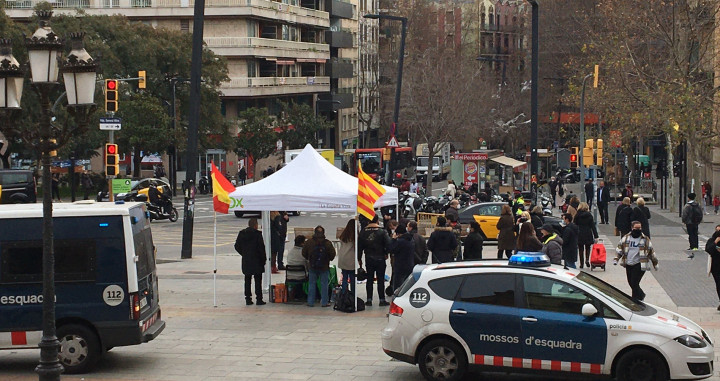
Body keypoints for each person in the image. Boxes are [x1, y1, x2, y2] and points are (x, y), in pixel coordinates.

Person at [613, 221, 658, 301]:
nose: (638, 230)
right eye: (636, 228)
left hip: (639, 264)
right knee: (630, 282)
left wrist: (655, 263)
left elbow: (651, 251)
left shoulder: (645, 239)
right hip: (629, 263)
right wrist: (616, 259)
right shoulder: (626, 238)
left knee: (634, 283)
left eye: (639, 228)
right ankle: (641, 295)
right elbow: (620, 248)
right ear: (632, 228)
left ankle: (634, 300)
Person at [358, 214, 391, 306]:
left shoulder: (364, 231)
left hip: (369, 258)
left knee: (369, 279)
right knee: (380, 279)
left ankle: (369, 299)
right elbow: (388, 244)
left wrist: (359, 258)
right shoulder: (382, 231)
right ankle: (381, 299)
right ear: (377, 221)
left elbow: (359, 246)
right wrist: (386, 253)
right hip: (380, 258)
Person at [234, 218, 267, 306]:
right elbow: (261, 248)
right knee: (258, 280)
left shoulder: (242, 233)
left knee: (247, 280)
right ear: (255, 225)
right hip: (257, 260)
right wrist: (264, 260)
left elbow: (236, 246)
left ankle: (248, 298)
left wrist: (244, 253)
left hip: (247, 259)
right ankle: (259, 299)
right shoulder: (258, 234)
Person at [302, 225, 336, 307]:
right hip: (324, 266)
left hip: (312, 266)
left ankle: (310, 302)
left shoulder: (309, 242)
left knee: (312, 284)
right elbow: (332, 254)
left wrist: (309, 259)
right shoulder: (327, 243)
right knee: (324, 284)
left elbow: (304, 253)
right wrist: (328, 259)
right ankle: (324, 302)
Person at [389, 225, 415, 292]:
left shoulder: (400, 241)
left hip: (400, 265)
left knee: (398, 285)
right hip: (410, 264)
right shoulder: (411, 240)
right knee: (407, 284)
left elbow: (391, 249)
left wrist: (393, 239)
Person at [575, 202, 598, 269]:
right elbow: (593, 226)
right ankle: (587, 259)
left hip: (580, 233)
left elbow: (575, 224)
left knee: (580, 249)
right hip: (588, 233)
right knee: (588, 247)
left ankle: (581, 263)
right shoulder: (589, 215)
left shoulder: (577, 215)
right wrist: (596, 236)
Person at [337, 220, 356, 298]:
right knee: (352, 278)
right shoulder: (354, 236)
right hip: (350, 259)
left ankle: (344, 294)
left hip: (342, 258)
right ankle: (353, 295)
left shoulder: (344, 234)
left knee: (344, 277)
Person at [704, 225, 720, 310]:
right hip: (715, 267)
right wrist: (715, 243)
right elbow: (708, 249)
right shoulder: (712, 240)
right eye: (716, 230)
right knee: (719, 284)